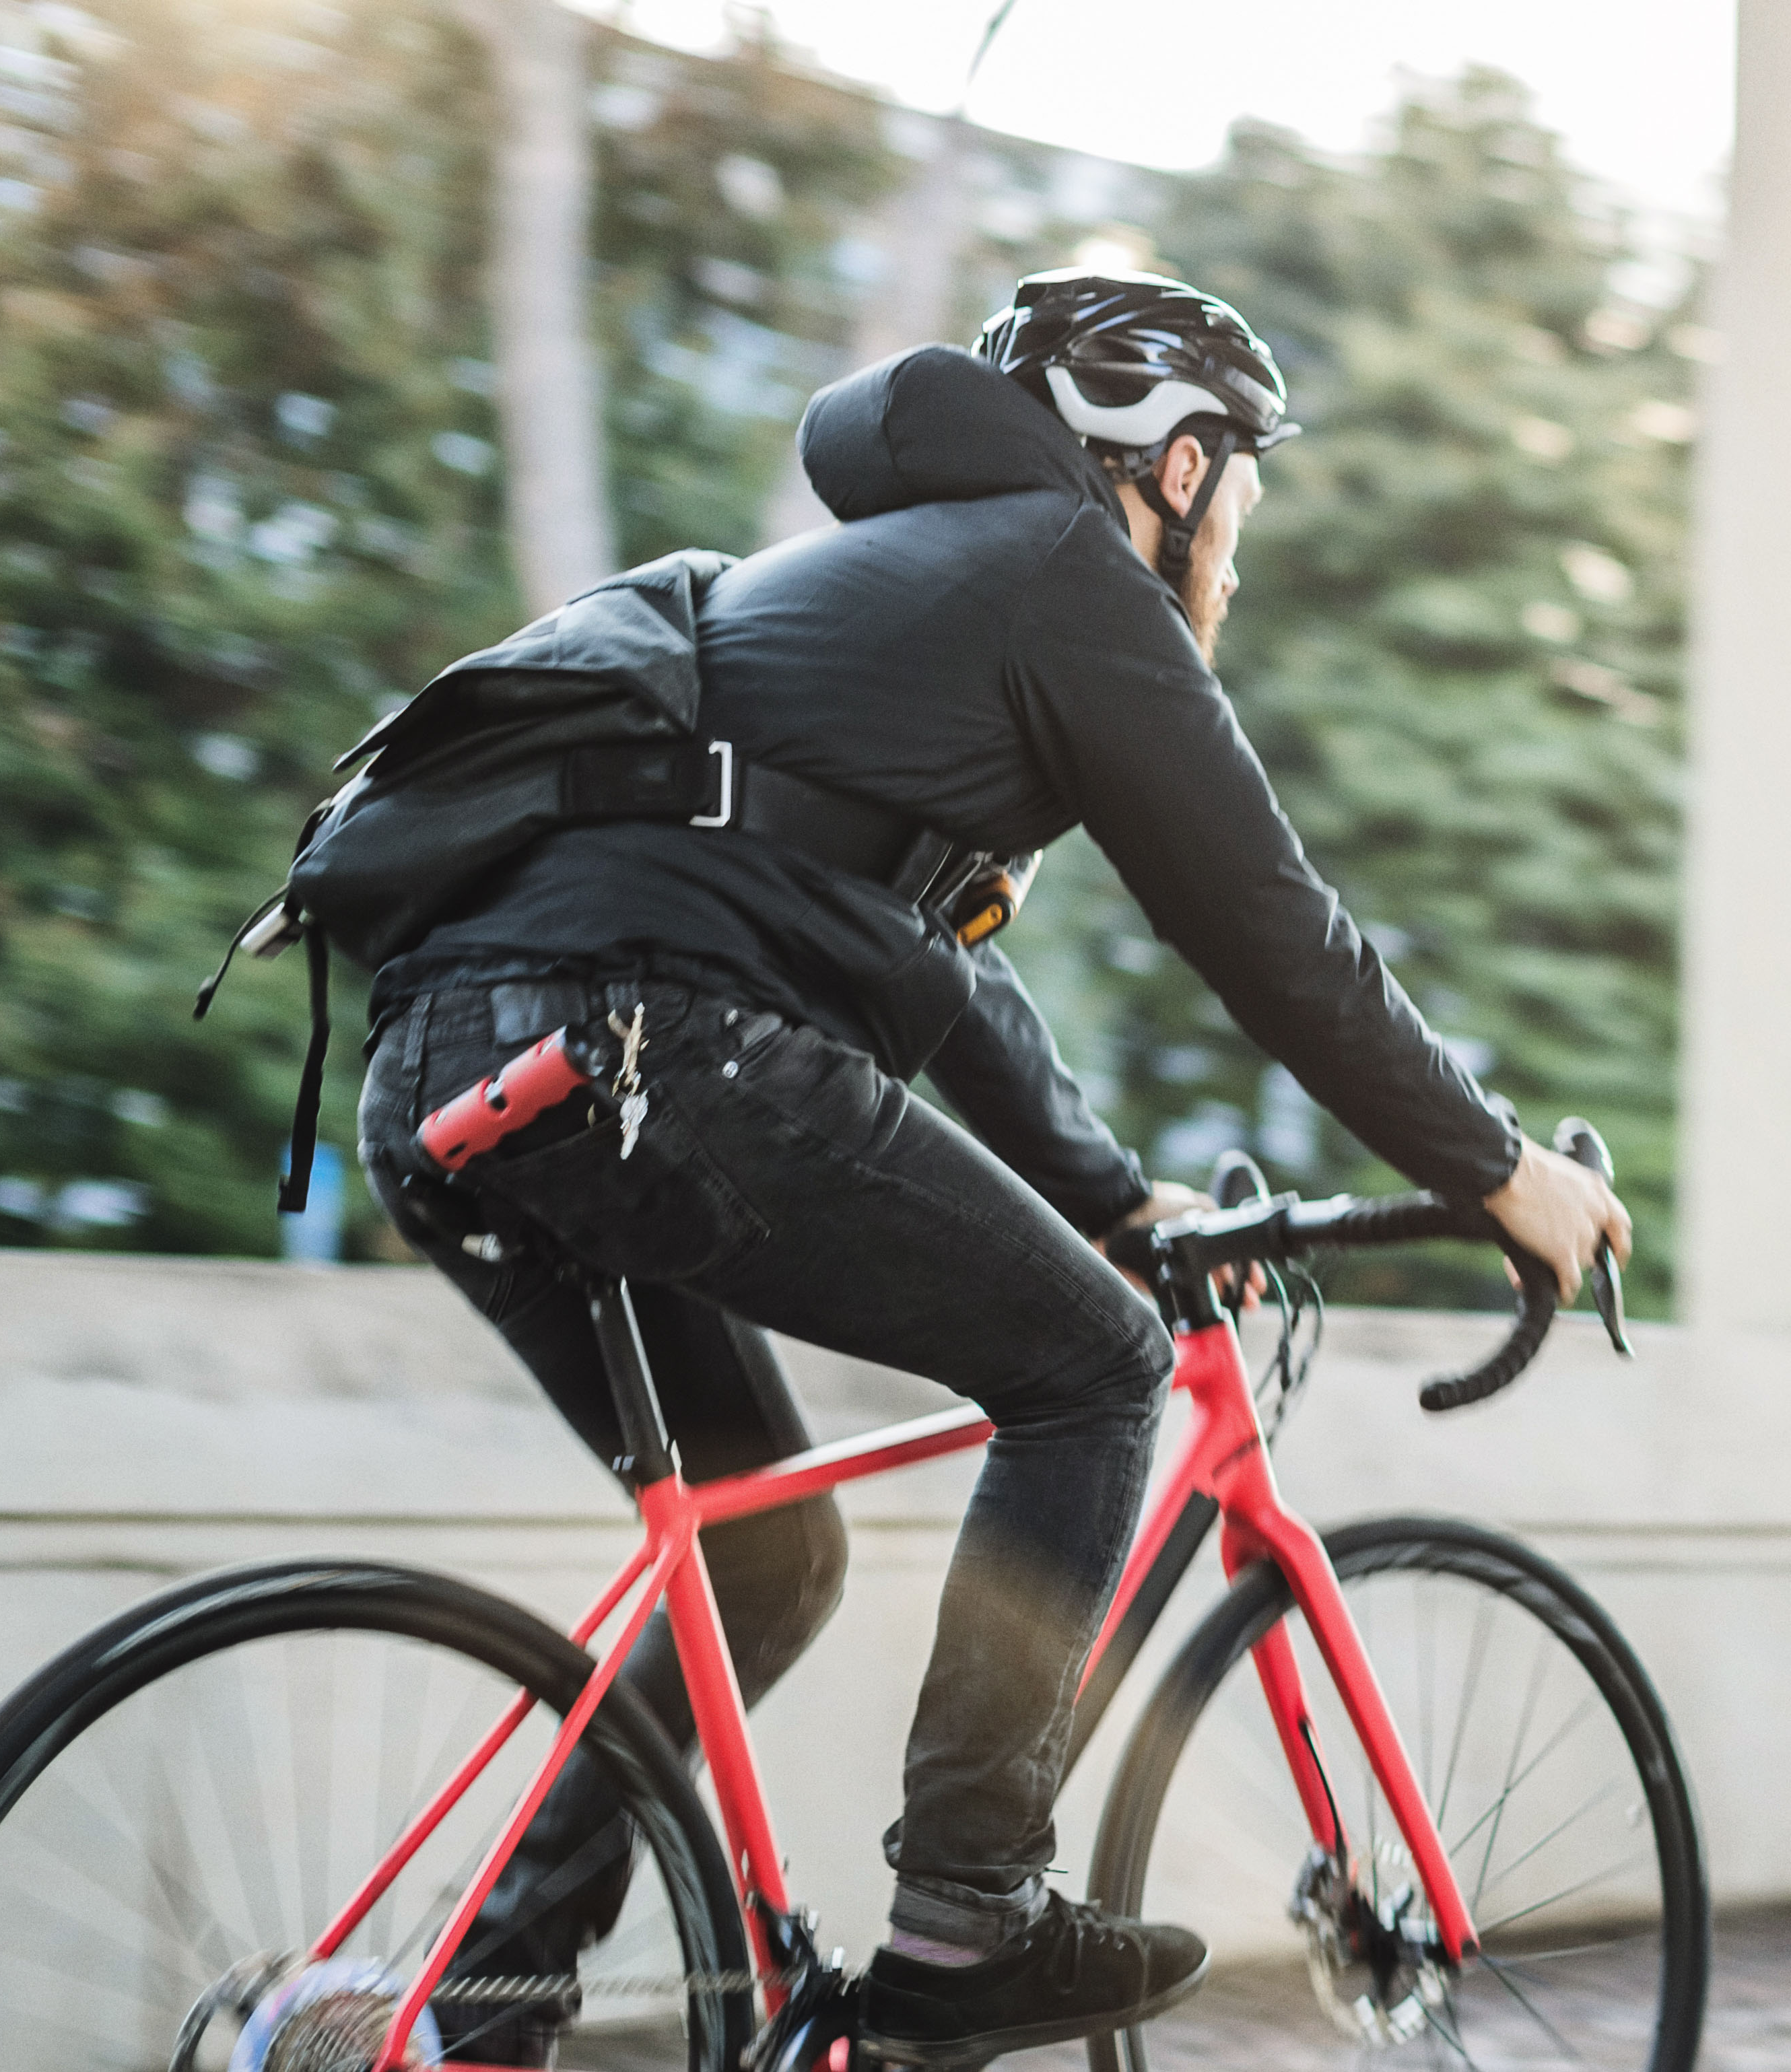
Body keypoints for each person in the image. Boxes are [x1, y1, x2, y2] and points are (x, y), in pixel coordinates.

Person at [355, 269, 1631, 2067]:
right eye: (1239, 507)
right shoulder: (1063, 579)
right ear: (1172, 471)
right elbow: (1275, 932)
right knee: (1098, 1372)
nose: (1239, 568)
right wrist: (1502, 1172)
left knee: (769, 1554)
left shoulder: (918, 596)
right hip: (651, 1042)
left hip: (454, 1065)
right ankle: (971, 1921)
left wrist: (1114, 1198)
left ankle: (484, 2005)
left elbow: (931, 969)